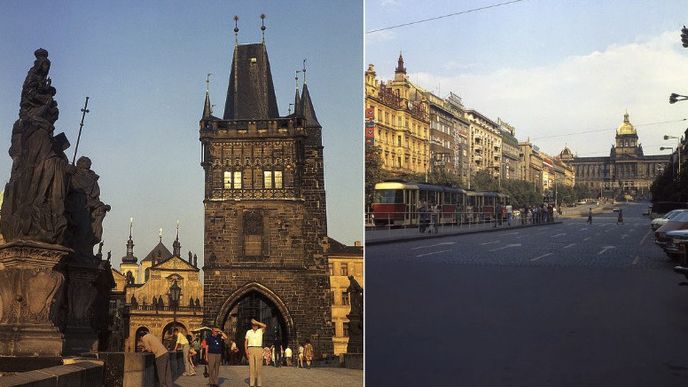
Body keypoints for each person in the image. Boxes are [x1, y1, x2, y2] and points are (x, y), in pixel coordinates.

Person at [245, 319, 268, 387]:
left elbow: (265, 326)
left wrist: (256, 322)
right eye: (253, 325)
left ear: (257, 326)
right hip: (250, 349)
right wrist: (246, 351)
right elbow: (246, 341)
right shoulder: (248, 332)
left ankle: (259, 384)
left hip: (259, 349)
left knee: (259, 367)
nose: (254, 326)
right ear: (252, 326)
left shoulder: (260, 331)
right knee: (251, 367)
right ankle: (252, 384)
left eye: (256, 325)